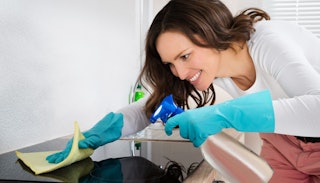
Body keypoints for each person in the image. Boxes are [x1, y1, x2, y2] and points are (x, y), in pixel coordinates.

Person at [47, 0, 320, 182]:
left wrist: (223, 114)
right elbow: (153, 108)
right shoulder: (213, 68)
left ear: (211, 34)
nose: (178, 72)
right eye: (170, 63)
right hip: (282, 143)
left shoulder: (266, 41)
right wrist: (100, 132)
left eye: (185, 56)